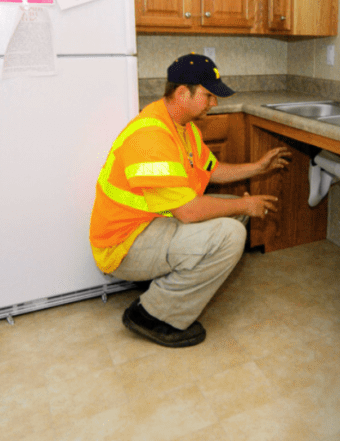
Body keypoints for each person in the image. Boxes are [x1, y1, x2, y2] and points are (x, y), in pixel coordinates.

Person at [89, 53, 289, 348]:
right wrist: (245, 204)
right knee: (232, 231)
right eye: (208, 96)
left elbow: (212, 170)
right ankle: (153, 315)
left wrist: (257, 167)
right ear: (183, 93)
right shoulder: (150, 137)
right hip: (123, 245)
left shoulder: (182, 128)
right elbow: (188, 210)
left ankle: (160, 283)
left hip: (149, 225)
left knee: (234, 216)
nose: (214, 104)